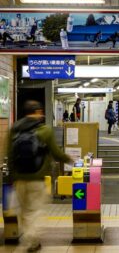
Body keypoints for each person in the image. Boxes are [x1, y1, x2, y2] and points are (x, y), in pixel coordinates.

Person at [7, 100, 72, 252]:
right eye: (40, 112)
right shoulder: (45, 130)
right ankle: (31, 240)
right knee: (35, 211)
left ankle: (31, 239)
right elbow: (56, 153)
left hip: (19, 179)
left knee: (23, 212)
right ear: (37, 112)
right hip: (37, 178)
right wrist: (68, 159)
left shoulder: (14, 129)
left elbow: (9, 155)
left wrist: (11, 178)